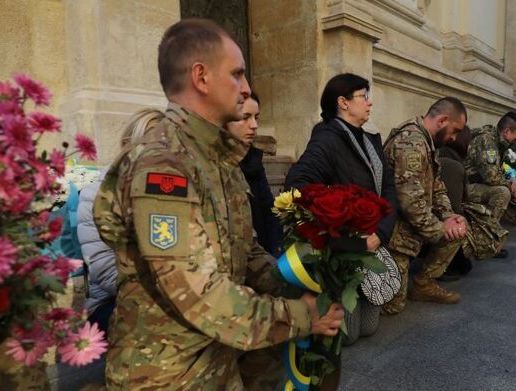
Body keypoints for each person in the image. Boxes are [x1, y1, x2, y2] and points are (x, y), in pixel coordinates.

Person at [93, 19, 344, 390]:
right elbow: (198, 294)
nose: (245, 88)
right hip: (165, 376)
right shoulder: (164, 165)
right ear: (202, 77)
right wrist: (300, 315)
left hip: (217, 363)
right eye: (237, 74)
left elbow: (247, 254)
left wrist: (302, 281)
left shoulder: (219, 160)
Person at [284, 73, 399, 346]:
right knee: (348, 335)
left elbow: (390, 191)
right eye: (364, 96)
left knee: (369, 329)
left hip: (374, 240)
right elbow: (297, 186)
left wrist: (381, 233)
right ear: (343, 103)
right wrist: (339, 223)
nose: (370, 103)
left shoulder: (370, 141)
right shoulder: (327, 139)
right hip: (347, 247)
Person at [380, 97, 468, 315]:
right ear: (443, 120)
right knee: (392, 307)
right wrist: (440, 229)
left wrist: (449, 217)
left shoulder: (427, 141)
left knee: (458, 229)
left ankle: (422, 284)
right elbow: (410, 204)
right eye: (455, 130)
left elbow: (437, 187)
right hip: (395, 233)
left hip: (414, 225)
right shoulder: (411, 143)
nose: (454, 138)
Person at [78, 108, 161, 335]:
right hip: (112, 300)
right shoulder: (95, 194)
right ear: (126, 146)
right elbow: (104, 271)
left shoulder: (168, 192)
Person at [437, 127, 509, 266]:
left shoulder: (452, 158)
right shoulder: (452, 164)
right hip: (443, 214)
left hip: (453, 200)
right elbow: (453, 205)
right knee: (501, 192)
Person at [226, 93, 282, 256]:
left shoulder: (252, 159)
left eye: (256, 117)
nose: (254, 125)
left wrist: (275, 254)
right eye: (245, 117)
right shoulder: (215, 161)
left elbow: (269, 211)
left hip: (260, 256)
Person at [463, 112, 516, 256]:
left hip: (475, 183)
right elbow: (491, 177)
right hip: (465, 186)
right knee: (502, 192)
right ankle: (485, 240)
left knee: (503, 189)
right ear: (507, 131)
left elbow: (496, 169)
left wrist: (511, 179)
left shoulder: (496, 139)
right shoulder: (487, 141)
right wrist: (511, 187)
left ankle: (487, 237)